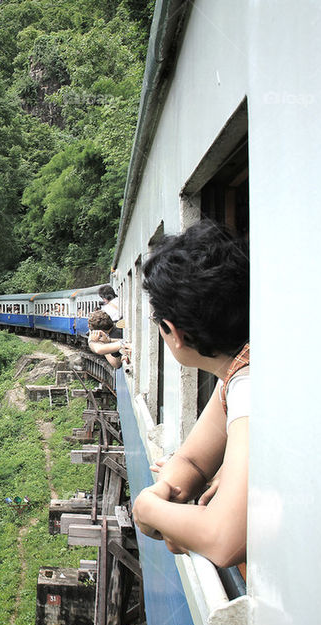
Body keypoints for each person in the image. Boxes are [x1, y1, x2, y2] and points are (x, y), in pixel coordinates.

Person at [131, 220, 249, 568]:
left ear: (171, 332)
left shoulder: (250, 384)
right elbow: (194, 460)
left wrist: (149, 507)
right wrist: (167, 491)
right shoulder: (236, 373)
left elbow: (224, 539)